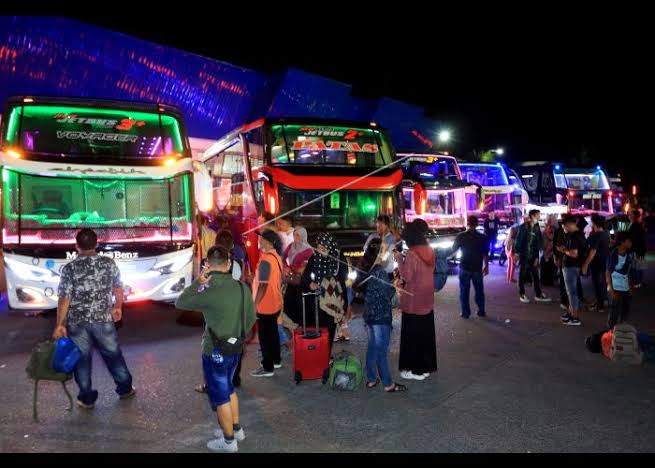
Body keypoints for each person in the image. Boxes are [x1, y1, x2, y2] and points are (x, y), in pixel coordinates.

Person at [176, 246, 256, 453]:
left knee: (220, 397)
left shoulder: (208, 291)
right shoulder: (242, 287)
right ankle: (236, 429)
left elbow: (180, 302)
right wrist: (236, 336)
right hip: (236, 347)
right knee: (229, 389)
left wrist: (198, 282)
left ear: (208, 266)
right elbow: (251, 320)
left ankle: (229, 442)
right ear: (229, 264)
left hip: (215, 351)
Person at [52, 228, 135, 409]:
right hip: (103, 319)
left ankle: (87, 398)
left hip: (77, 323)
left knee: (81, 360)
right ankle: (125, 388)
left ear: (77, 246)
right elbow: (118, 288)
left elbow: (64, 298)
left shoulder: (70, 268)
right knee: (113, 355)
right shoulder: (108, 264)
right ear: (97, 244)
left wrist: (60, 324)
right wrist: (118, 307)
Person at [356, 239, 407, 393]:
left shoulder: (367, 269)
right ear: (378, 253)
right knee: (381, 351)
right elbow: (387, 294)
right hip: (380, 317)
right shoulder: (379, 271)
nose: (387, 254)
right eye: (384, 250)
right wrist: (395, 285)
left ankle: (371, 379)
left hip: (370, 316)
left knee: (372, 348)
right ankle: (388, 383)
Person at [393, 221, 437, 382]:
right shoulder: (430, 250)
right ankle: (425, 368)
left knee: (412, 336)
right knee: (425, 335)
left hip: (413, 301)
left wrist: (399, 260)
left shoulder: (412, 253)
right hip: (427, 298)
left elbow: (407, 276)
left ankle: (415, 370)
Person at [302, 232, 346, 352]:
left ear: (330, 247)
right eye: (319, 247)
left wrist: (330, 284)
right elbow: (306, 276)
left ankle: (327, 353)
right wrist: (310, 283)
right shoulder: (315, 257)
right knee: (319, 327)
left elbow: (343, 277)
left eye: (323, 248)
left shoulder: (338, 258)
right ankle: (321, 353)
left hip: (333, 300)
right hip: (317, 300)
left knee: (330, 328)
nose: (320, 251)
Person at [250, 230, 284, 378]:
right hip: (275, 302)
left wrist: (254, 304)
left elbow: (263, 285)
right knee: (273, 334)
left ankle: (267, 367)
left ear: (268, 242)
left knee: (265, 337)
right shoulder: (276, 256)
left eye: (261, 239)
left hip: (265, 305)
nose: (259, 241)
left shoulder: (265, 260)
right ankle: (276, 360)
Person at [452, 216, 489, 319]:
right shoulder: (483, 237)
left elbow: (453, 250)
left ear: (467, 223)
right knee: (479, 291)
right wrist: (486, 266)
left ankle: (465, 313)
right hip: (477, 267)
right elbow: (486, 253)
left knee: (464, 291)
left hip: (464, 267)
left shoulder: (461, 236)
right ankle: (481, 311)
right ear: (477, 224)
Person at [514, 209, 551, 304]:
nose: (539, 216)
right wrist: (517, 253)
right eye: (538, 215)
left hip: (533, 255)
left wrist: (537, 257)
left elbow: (537, 242)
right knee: (522, 275)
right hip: (524, 255)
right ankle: (522, 294)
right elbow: (518, 240)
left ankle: (538, 294)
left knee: (535, 274)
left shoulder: (536, 227)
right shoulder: (524, 227)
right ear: (533, 216)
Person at [557, 215, 585, 326]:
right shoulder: (578, 235)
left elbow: (574, 254)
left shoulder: (575, 236)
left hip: (571, 266)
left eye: (564, 226)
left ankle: (575, 317)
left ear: (569, 225)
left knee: (572, 293)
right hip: (573, 266)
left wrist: (563, 250)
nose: (564, 228)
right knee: (571, 292)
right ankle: (571, 313)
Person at [282, 227, 313, 325]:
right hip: (292, 279)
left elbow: (310, 265)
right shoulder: (291, 246)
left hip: (302, 280)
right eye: (294, 235)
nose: (295, 237)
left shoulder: (309, 250)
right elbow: (283, 258)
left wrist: (301, 268)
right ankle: (293, 325)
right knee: (289, 302)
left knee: (301, 302)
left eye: (297, 235)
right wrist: (286, 267)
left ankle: (302, 325)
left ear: (303, 236)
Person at [582, 214, 610, 313]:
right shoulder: (606, 233)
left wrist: (585, 264)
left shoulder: (595, 235)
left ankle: (600, 306)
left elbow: (592, 252)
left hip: (596, 263)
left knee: (597, 283)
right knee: (602, 282)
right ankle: (602, 301)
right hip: (605, 261)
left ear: (594, 223)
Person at [606, 232, 635, 329]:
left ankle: (621, 330)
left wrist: (631, 286)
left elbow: (629, 271)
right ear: (622, 242)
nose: (631, 243)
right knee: (615, 310)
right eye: (629, 241)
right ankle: (610, 332)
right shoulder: (613, 254)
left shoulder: (629, 254)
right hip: (615, 285)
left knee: (625, 309)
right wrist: (610, 286)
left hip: (625, 285)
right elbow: (608, 271)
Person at [627, 209, 647, 287]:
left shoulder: (635, 225)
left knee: (636, 266)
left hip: (637, 249)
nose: (629, 215)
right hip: (639, 248)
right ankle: (639, 282)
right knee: (639, 266)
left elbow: (635, 238)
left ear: (634, 216)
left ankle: (637, 282)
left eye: (630, 214)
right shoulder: (636, 224)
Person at [541, 214, 558, 286]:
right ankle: (546, 281)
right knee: (546, 267)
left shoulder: (555, 232)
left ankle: (549, 281)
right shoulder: (544, 233)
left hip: (551, 254)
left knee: (550, 268)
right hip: (547, 253)